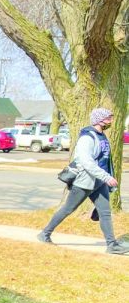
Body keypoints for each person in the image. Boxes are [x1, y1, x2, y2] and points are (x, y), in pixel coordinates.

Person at [38, 107, 128, 255]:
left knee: (105, 212)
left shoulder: (101, 136)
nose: (111, 121)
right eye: (109, 118)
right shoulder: (87, 138)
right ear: (100, 120)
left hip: (98, 182)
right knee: (68, 209)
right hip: (84, 182)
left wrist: (105, 178)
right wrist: (106, 177)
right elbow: (87, 162)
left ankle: (112, 245)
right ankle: (45, 233)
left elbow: (104, 160)